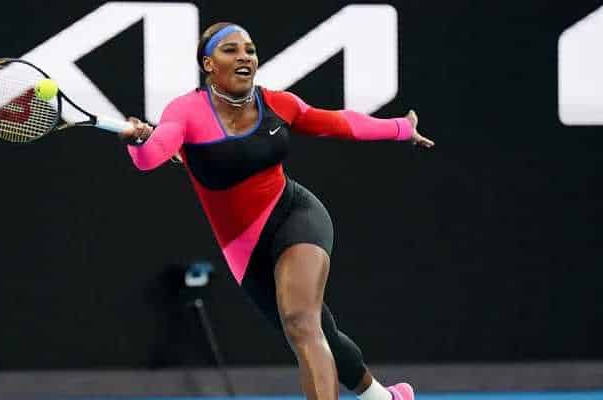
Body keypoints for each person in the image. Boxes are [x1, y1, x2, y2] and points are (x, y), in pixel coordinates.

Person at [119, 22, 435, 400]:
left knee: (302, 323)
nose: (244, 57)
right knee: (321, 333)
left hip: (294, 215)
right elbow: (152, 155)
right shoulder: (185, 112)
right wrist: (139, 140)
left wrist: (400, 128)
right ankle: (384, 398)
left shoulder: (277, 103)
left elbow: (341, 123)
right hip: (244, 250)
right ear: (208, 63)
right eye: (230, 50)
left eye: (249, 50)